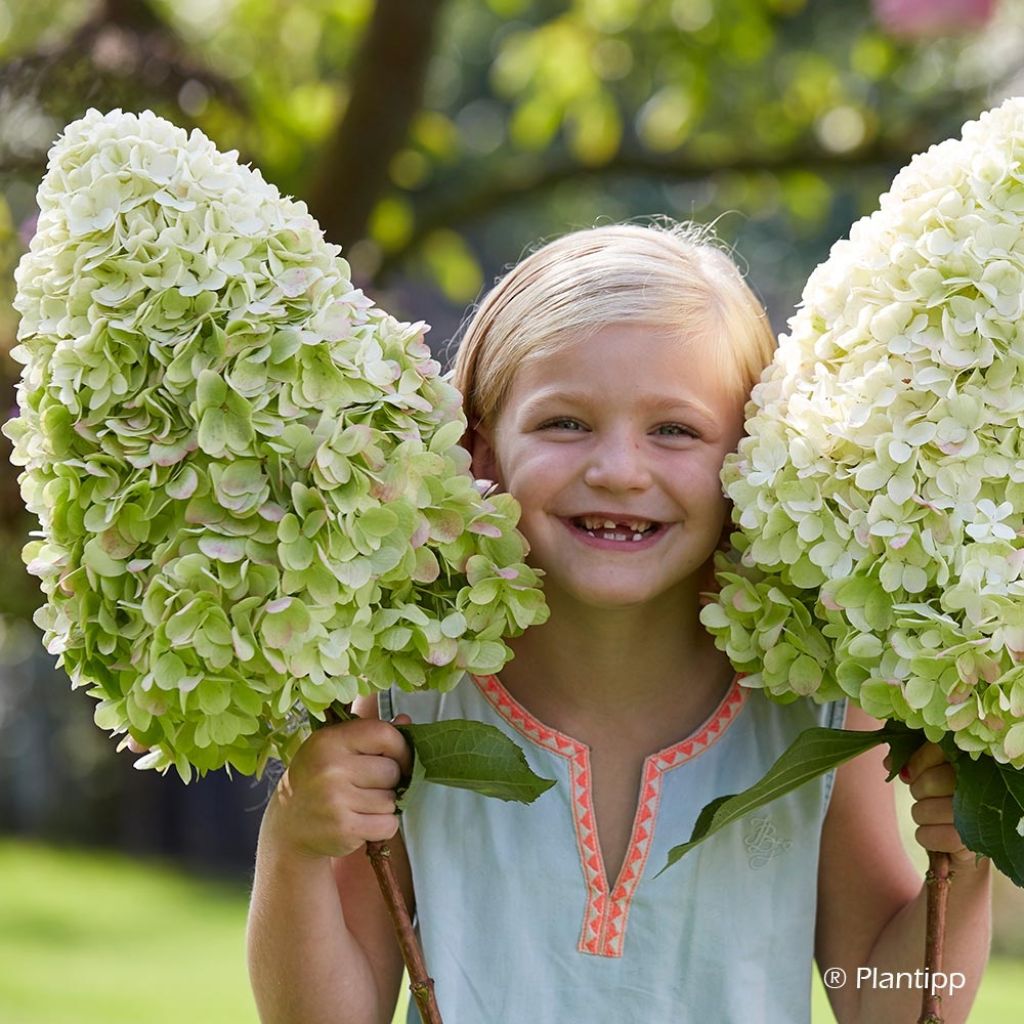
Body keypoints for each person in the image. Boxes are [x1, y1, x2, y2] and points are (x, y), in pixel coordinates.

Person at [246, 222, 991, 1024]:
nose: (618, 470)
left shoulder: (813, 709)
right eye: (564, 422)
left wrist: (971, 857)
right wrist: (293, 844)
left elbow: (887, 1007)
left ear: (751, 457)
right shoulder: (415, 700)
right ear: (481, 449)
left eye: (675, 430)